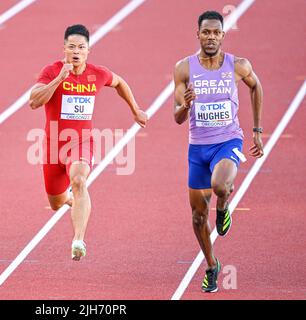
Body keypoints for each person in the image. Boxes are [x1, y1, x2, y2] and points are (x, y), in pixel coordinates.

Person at [29, 24, 148, 261]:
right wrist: (58, 80)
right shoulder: (52, 71)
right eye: (71, 46)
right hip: (53, 146)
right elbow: (33, 101)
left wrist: (135, 109)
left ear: (88, 50)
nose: (76, 51)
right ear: (64, 48)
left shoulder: (97, 73)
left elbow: (120, 82)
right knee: (56, 202)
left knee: (79, 180)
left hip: (81, 142)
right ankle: (71, 200)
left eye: (81, 47)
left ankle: (78, 240)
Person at [173, 11, 264, 292]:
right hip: (198, 147)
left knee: (220, 186)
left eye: (215, 32)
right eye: (205, 32)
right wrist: (186, 105)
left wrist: (257, 131)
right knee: (198, 217)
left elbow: (255, 86)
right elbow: (177, 117)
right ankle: (212, 265)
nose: (210, 37)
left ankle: (223, 208)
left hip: (228, 141)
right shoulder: (184, 68)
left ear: (223, 35)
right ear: (197, 34)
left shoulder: (237, 65)